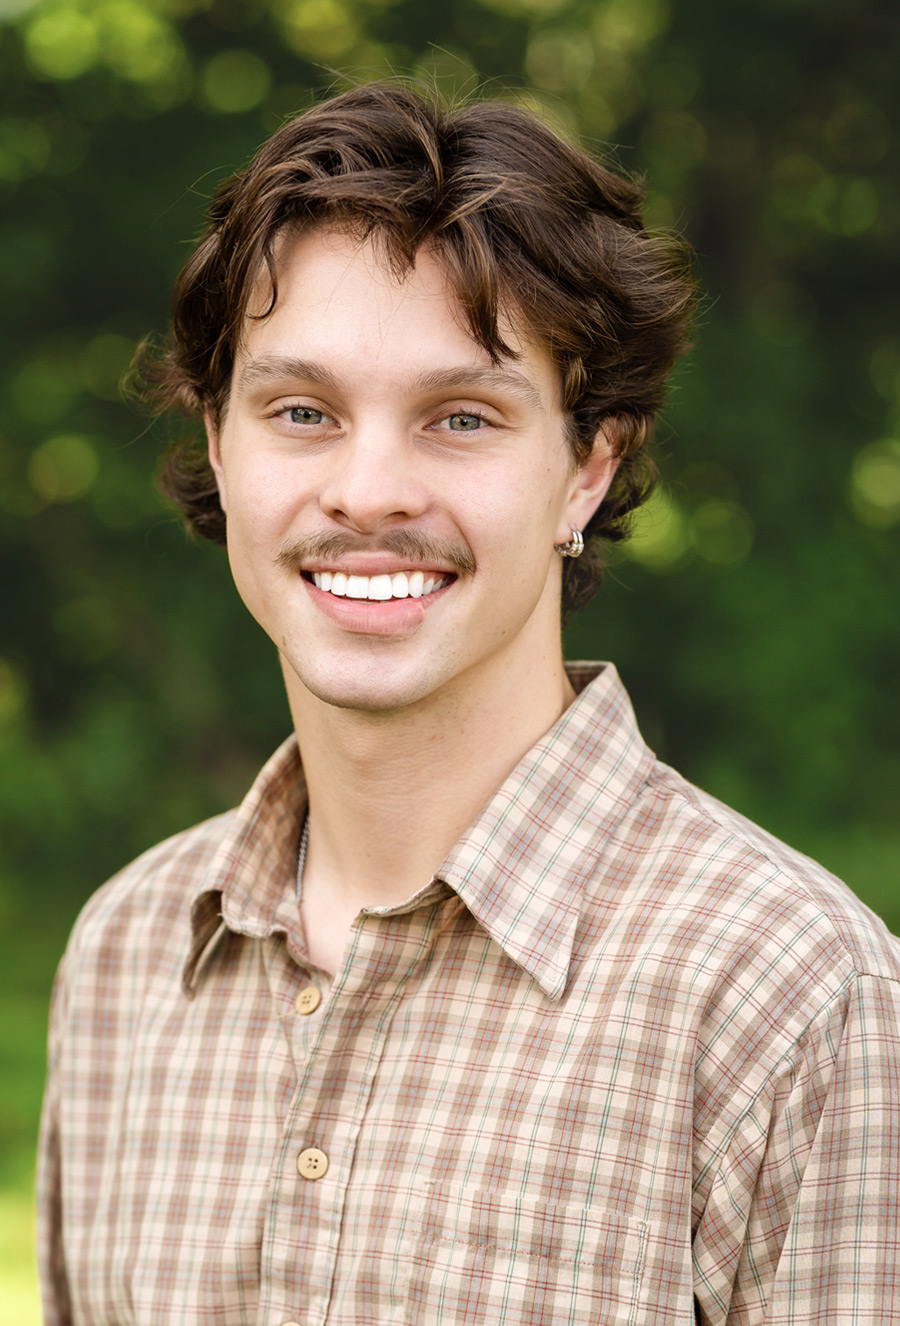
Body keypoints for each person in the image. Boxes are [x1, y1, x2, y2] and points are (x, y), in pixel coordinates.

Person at [37, 81, 900, 1325]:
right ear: (221, 447)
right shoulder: (125, 959)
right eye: (300, 412)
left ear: (586, 468)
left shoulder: (790, 995)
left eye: (460, 416)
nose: (369, 489)